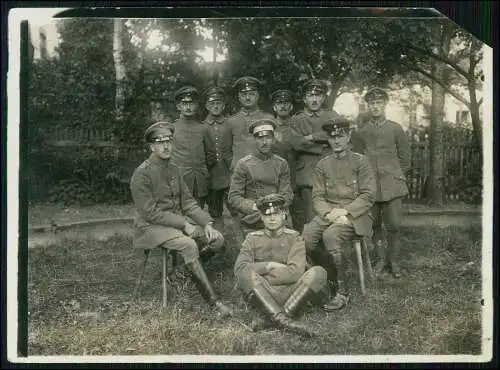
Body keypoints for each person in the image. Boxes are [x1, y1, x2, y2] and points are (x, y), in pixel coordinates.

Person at [130, 122, 232, 318]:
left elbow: (188, 203)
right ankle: (215, 305)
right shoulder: (142, 174)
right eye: (160, 142)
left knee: (217, 240)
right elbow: (150, 213)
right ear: (152, 147)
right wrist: (184, 224)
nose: (166, 146)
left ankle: (179, 273)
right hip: (150, 228)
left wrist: (206, 223)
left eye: (169, 141)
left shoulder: (174, 169)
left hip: (174, 225)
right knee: (189, 245)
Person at [302, 117, 376, 310]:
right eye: (332, 137)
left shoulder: (361, 162)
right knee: (306, 239)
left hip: (356, 216)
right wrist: (328, 213)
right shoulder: (323, 165)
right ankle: (326, 280)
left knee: (331, 236)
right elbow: (317, 196)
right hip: (330, 214)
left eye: (340, 136)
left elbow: (368, 195)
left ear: (348, 136)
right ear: (328, 139)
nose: (336, 141)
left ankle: (343, 292)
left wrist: (346, 212)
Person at [234, 193, 328, 337]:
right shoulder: (251, 239)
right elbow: (240, 269)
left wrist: (261, 275)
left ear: (284, 215)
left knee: (319, 272)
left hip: (291, 291)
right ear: (261, 217)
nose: (272, 218)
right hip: (264, 293)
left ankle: (275, 318)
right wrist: (269, 265)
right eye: (267, 215)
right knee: (245, 274)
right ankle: (286, 321)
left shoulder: (295, 237)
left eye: (276, 214)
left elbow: (295, 273)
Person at [351, 87, 410, 278]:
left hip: (392, 185)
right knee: (374, 226)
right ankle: (380, 260)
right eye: (372, 104)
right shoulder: (362, 132)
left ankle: (394, 261)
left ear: (385, 104)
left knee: (394, 225)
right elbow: (358, 159)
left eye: (379, 103)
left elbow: (405, 157)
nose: (375, 107)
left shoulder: (395, 128)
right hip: (371, 187)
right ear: (368, 106)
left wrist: (397, 175)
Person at [228, 118, 294, 237]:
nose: (265, 142)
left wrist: (276, 208)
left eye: (268, 138)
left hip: (278, 215)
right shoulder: (244, 164)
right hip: (254, 218)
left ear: (273, 139)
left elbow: (287, 193)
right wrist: (254, 206)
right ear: (254, 140)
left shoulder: (281, 163)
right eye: (260, 138)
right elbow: (234, 197)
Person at [289, 79, 340, 232]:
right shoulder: (296, 119)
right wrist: (324, 143)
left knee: (331, 213)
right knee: (311, 217)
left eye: (318, 95)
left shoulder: (332, 116)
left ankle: (330, 251)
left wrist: (310, 137)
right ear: (304, 99)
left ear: (323, 98)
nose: (314, 99)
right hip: (307, 174)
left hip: (330, 171)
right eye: (310, 96)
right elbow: (296, 143)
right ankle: (312, 252)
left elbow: (337, 137)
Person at [202, 86, 237, 232]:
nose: (215, 107)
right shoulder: (202, 126)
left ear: (223, 105)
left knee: (236, 210)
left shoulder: (230, 123)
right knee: (215, 212)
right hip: (212, 176)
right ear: (207, 106)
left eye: (218, 103)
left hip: (230, 174)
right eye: (212, 104)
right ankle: (218, 246)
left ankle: (244, 244)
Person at [170, 85, 211, 207]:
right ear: (178, 106)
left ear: (197, 105)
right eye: (184, 103)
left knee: (198, 214)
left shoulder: (203, 128)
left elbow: (210, 155)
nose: (188, 107)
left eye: (191, 103)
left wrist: (203, 172)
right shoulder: (172, 128)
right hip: (179, 180)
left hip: (199, 181)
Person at [227, 76, 275, 172]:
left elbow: (274, 147)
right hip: (238, 172)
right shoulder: (231, 121)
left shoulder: (269, 119)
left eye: (251, 94)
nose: (248, 98)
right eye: (244, 94)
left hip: (263, 171)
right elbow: (226, 150)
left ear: (258, 96)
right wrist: (233, 164)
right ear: (239, 97)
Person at [270, 88, 302, 232]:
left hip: (298, 177)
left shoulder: (299, 125)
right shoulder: (269, 127)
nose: (283, 106)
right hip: (275, 178)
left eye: (286, 103)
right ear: (274, 107)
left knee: (300, 216)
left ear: (291, 106)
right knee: (276, 216)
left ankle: (302, 248)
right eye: (279, 103)